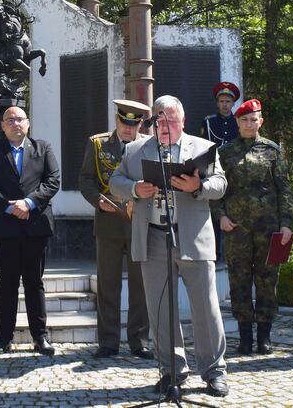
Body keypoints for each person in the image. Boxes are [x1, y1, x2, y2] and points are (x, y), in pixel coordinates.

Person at [110, 94, 229, 398]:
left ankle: (214, 371)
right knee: (161, 308)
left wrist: (198, 187)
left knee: (206, 307)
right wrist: (135, 189)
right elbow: (115, 183)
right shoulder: (136, 150)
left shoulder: (203, 148)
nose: (164, 125)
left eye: (171, 120)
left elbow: (221, 185)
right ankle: (172, 371)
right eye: (159, 120)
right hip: (152, 237)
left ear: (182, 121)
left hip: (193, 237)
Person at [0, 106, 61, 356]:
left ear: (28, 123)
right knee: (8, 284)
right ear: (3, 126)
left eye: (20, 119)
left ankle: (40, 337)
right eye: (10, 120)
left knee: (35, 283)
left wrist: (29, 203)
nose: (15, 124)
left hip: (35, 226)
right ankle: (4, 338)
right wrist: (9, 207)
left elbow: (53, 180)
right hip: (6, 228)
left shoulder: (42, 148)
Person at [215, 99, 293, 356]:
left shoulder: (272, 151)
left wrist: (286, 224)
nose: (249, 124)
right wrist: (221, 216)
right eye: (244, 120)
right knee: (239, 281)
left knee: (267, 281)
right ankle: (245, 337)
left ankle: (264, 337)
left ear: (261, 121)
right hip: (236, 230)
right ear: (237, 122)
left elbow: (284, 189)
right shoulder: (225, 153)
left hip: (268, 229)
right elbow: (216, 190)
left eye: (253, 119)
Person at [78, 99, 153, 359]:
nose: (129, 129)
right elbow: (86, 180)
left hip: (140, 223)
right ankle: (108, 341)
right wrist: (97, 200)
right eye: (125, 123)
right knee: (108, 284)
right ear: (117, 120)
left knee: (140, 285)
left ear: (140, 124)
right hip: (108, 222)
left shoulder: (148, 145)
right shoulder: (97, 144)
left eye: (134, 124)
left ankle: (139, 340)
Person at [202, 81, 240, 265]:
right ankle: (214, 254)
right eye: (222, 101)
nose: (225, 104)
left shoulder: (239, 123)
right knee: (214, 215)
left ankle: (233, 256)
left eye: (228, 101)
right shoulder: (208, 122)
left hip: (234, 175)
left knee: (234, 214)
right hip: (213, 174)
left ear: (233, 104)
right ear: (217, 103)